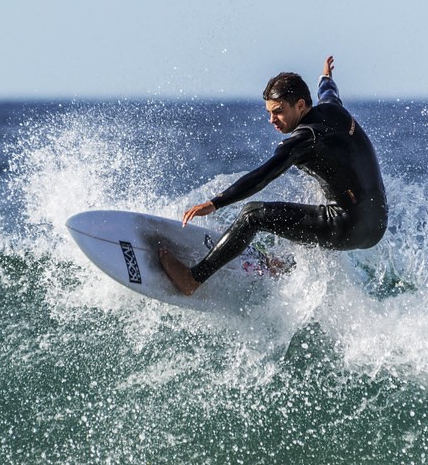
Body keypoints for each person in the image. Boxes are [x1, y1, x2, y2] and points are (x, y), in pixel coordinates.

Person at [159, 55, 388, 295]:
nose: (272, 120)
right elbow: (328, 91)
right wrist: (325, 77)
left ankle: (192, 280)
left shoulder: (304, 139)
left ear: (300, 105)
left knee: (252, 215)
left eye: (278, 112)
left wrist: (216, 202)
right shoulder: (332, 108)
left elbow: (263, 175)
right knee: (299, 213)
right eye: (269, 112)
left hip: (348, 226)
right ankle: (281, 265)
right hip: (376, 223)